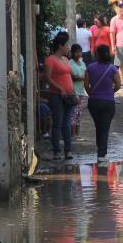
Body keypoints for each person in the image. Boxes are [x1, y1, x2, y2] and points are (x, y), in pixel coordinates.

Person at [85, 45, 121, 161]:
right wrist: (110, 92)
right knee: (104, 127)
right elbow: (118, 85)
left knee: (98, 125)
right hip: (108, 102)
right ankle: (101, 153)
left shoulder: (90, 67)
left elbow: (86, 85)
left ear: (97, 55)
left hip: (94, 102)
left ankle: (100, 148)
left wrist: (91, 93)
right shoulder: (112, 68)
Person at [44, 31, 76, 160]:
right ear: (60, 46)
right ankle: (57, 151)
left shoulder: (65, 59)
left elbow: (69, 75)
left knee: (67, 123)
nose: (68, 47)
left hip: (69, 94)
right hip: (57, 95)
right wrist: (60, 88)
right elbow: (48, 78)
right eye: (66, 45)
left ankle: (68, 150)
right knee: (57, 122)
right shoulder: (50, 60)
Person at [69, 43, 88, 138]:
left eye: (79, 52)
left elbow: (85, 75)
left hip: (81, 91)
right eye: (76, 52)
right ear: (72, 53)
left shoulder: (83, 63)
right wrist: (82, 78)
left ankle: (77, 134)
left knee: (79, 114)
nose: (78, 54)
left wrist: (83, 79)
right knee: (73, 113)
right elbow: (72, 77)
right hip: (73, 91)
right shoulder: (70, 63)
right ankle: (72, 134)